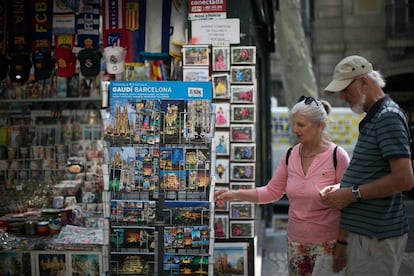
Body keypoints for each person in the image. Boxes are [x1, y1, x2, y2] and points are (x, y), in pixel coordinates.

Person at [215, 96, 350, 275]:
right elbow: (271, 191)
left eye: (301, 125)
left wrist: (343, 243)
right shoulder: (290, 155)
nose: (295, 130)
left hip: (329, 244)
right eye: (294, 124)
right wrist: (233, 194)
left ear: (320, 126)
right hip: (296, 244)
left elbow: (349, 203)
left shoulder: (337, 156)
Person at [322, 55, 414, 275]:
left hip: (377, 236)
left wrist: (351, 193)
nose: (342, 97)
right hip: (366, 236)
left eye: (345, 89)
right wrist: (343, 189)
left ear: (364, 81)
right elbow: (371, 173)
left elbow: (405, 179)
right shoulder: (375, 117)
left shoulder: (387, 117)